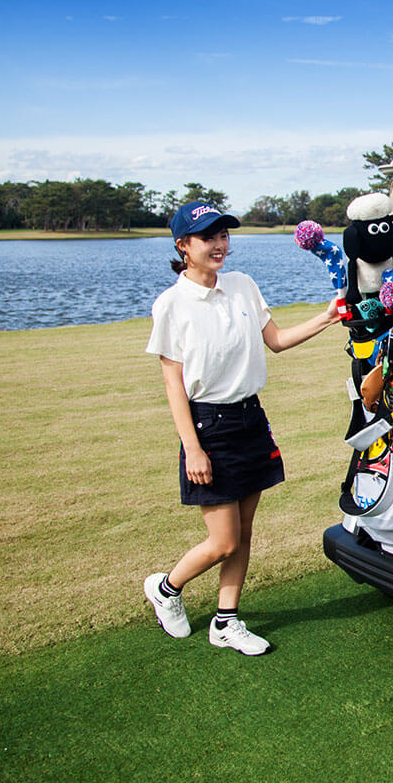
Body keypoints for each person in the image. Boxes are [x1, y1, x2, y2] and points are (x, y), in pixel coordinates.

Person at [143, 200, 339, 655]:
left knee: (244, 533)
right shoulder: (172, 304)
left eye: (223, 235)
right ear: (183, 246)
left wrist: (328, 316)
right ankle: (167, 588)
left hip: (251, 418)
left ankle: (226, 621)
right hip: (207, 426)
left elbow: (277, 341)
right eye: (207, 237)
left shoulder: (242, 285)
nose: (219, 244)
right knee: (224, 540)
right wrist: (192, 447)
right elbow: (173, 384)